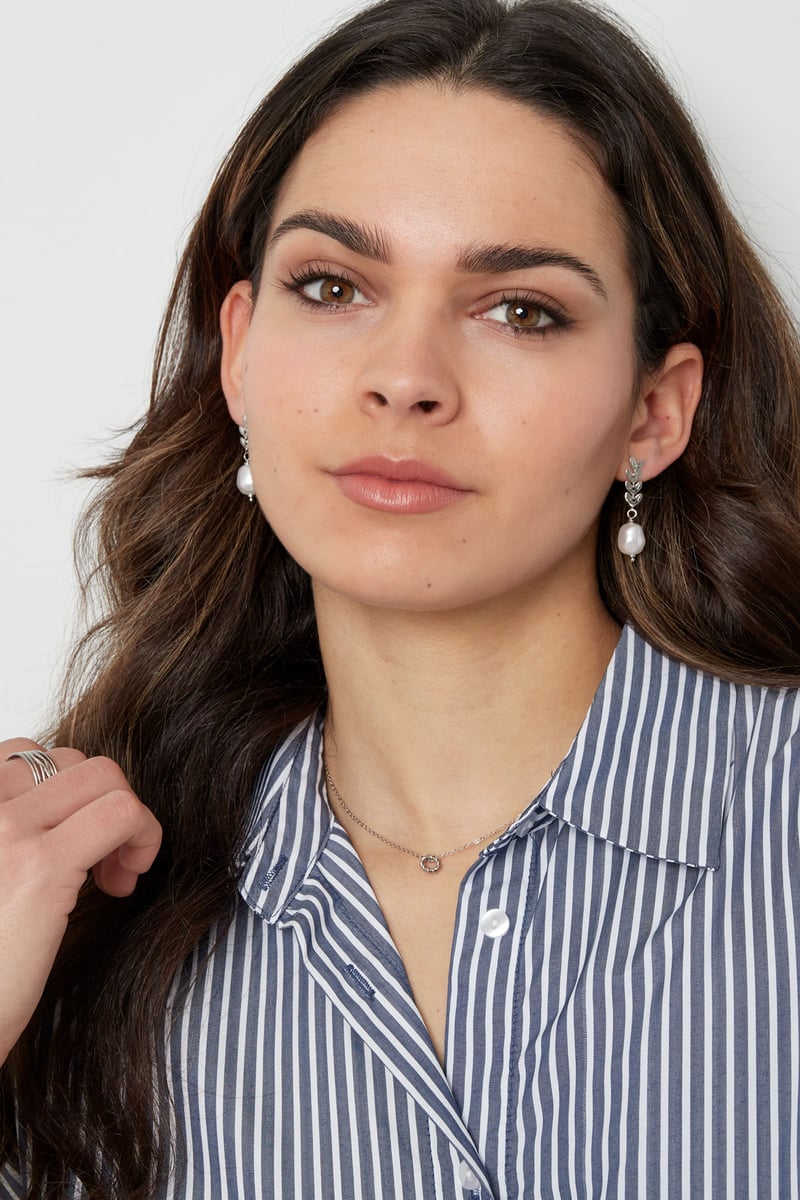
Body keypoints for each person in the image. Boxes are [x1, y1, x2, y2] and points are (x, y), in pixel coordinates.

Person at [2, 0, 800, 1195]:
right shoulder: (71, 919)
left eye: (519, 309)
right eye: (332, 287)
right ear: (238, 353)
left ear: (653, 411)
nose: (405, 379)